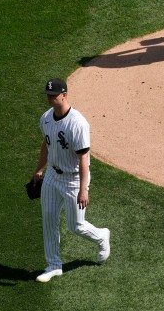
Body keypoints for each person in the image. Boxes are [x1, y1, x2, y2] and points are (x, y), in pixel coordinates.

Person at [31, 78, 110, 283]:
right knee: (49, 220)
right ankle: (54, 265)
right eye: (48, 95)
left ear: (64, 95)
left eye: (54, 95)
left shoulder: (77, 123)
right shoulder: (46, 119)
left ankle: (101, 236)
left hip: (73, 180)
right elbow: (46, 145)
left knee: (76, 225)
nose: (50, 98)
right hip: (51, 176)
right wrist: (39, 170)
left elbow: (84, 158)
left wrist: (84, 189)